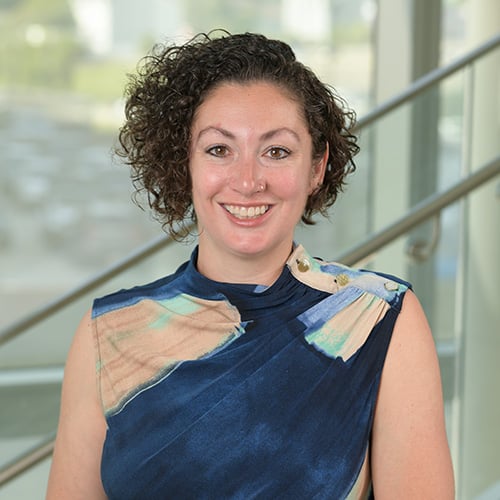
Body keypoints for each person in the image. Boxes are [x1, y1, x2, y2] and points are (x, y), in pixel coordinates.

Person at [47, 31, 454, 499]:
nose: (247, 180)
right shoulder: (109, 331)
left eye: (276, 151)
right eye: (219, 149)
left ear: (316, 167)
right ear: (186, 163)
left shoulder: (380, 318)